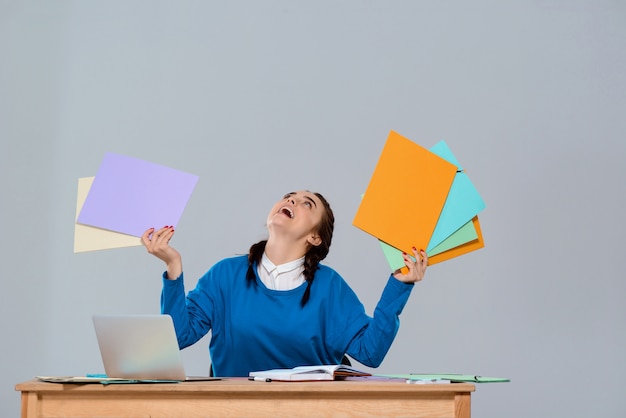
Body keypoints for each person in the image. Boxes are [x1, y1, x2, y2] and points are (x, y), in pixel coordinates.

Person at [142, 190, 427, 377]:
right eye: (289, 197)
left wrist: (399, 286)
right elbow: (178, 337)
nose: (291, 201)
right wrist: (173, 267)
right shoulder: (224, 276)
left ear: (315, 237)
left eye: (307, 203)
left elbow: (370, 352)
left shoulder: (329, 288)